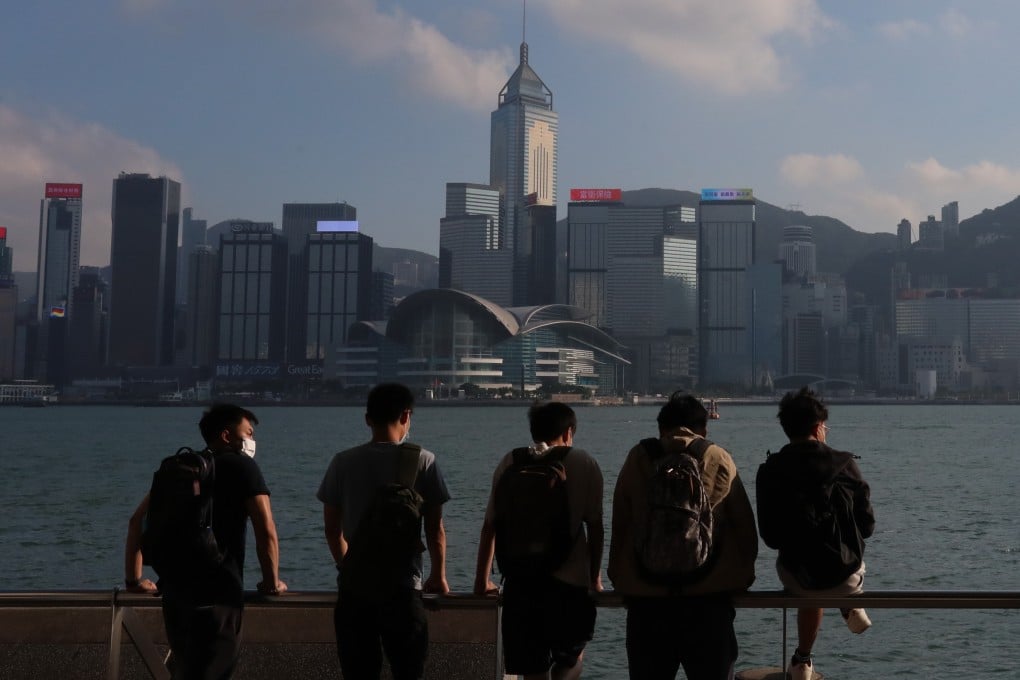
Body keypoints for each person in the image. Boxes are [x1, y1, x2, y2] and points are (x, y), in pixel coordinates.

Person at [124, 403, 287, 680]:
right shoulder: (244, 466)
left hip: (175, 595)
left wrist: (134, 580)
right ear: (226, 435)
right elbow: (266, 529)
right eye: (248, 433)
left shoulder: (185, 467)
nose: (252, 441)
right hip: (219, 594)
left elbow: (137, 522)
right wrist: (272, 582)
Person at [608, 392, 758, 680]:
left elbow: (621, 525)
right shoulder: (717, 456)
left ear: (661, 428)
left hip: (647, 601)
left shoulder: (638, 457)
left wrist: (619, 576)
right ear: (703, 429)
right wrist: (743, 576)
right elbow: (745, 528)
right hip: (709, 601)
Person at [317, 382, 450, 680]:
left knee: (359, 673)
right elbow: (434, 530)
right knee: (408, 671)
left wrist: (346, 565)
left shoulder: (342, 461)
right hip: (403, 589)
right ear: (406, 416)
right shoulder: (424, 460)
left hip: (354, 589)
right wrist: (438, 576)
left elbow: (331, 529)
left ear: (367, 419)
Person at [474, 401, 604, 680]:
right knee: (571, 658)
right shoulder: (583, 461)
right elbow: (595, 527)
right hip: (568, 587)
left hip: (520, 585)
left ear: (533, 431)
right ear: (569, 432)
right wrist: (594, 578)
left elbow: (489, 527)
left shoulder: (511, 461)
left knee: (532, 670)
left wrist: (481, 581)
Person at [756, 387, 875, 680]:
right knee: (838, 562)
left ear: (787, 429)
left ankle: (803, 659)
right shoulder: (845, 465)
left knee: (810, 579)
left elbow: (770, 538)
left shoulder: (771, 470)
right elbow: (868, 526)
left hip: (797, 578)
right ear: (818, 427)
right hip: (847, 575)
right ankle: (847, 604)